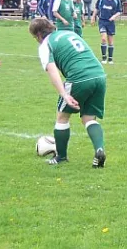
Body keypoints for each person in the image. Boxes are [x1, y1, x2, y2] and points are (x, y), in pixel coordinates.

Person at [29, 18, 107, 167]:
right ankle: (99, 150)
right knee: (89, 118)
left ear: (39, 35)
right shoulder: (69, 33)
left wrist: (64, 94)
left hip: (79, 78)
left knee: (62, 117)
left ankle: (61, 157)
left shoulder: (46, 45)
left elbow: (52, 71)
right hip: (99, 75)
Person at [91, 0, 122, 64]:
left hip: (110, 22)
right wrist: (93, 17)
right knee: (104, 38)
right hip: (102, 21)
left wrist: (114, 16)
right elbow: (97, 8)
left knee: (110, 41)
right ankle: (104, 58)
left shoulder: (116, 0)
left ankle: (110, 59)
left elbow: (119, 11)